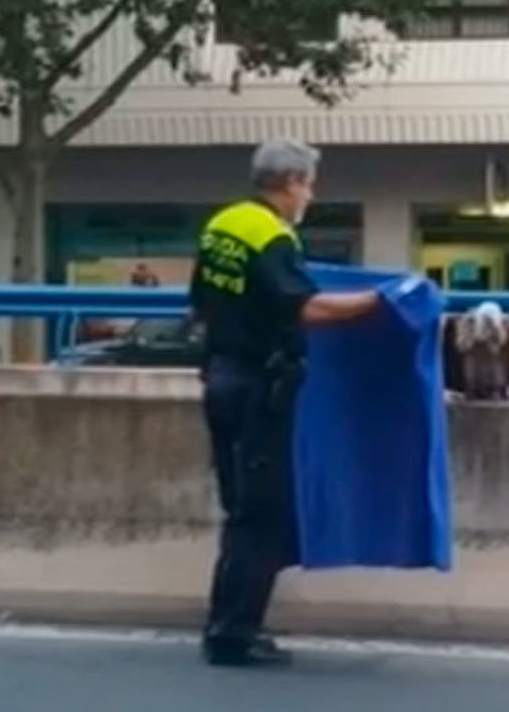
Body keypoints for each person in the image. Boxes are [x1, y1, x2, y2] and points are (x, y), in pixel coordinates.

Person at [189, 138, 380, 667]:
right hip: (257, 389)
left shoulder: (221, 225)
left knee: (240, 507)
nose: (310, 196)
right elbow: (306, 308)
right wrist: (381, 302)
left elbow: (201, 304)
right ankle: (232, 634)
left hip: (221, 378)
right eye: (309, 185)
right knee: (262, 515)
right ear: (292, 182)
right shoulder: (272, 235)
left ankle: (230, 625)